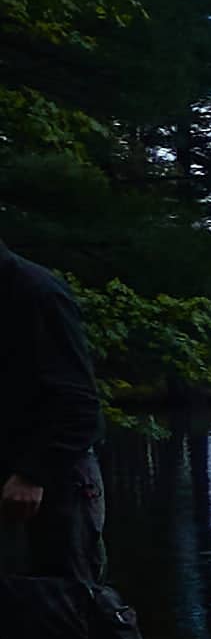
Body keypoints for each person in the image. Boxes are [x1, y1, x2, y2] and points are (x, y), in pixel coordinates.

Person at [0, 234, 104, 583]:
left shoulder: (36, 292)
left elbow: (80, 403)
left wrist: (32, 474)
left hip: (53, 481)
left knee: (67, 608)